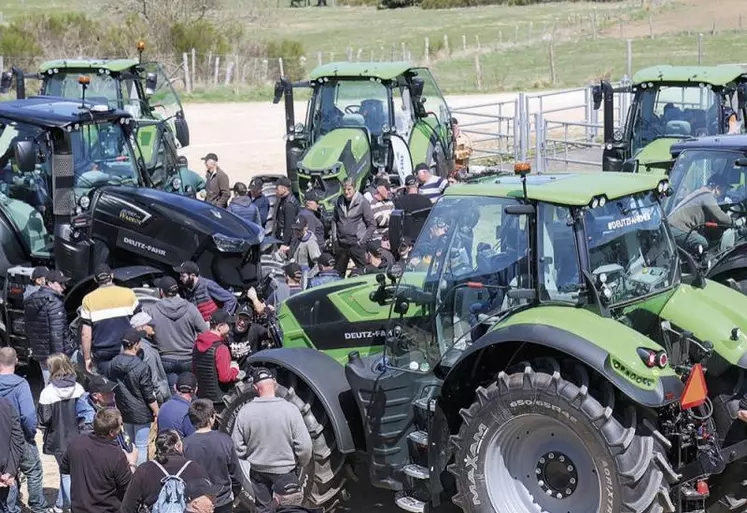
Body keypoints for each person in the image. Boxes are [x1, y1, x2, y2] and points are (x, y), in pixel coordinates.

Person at [232, 367, 312, 513]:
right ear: (274, 384)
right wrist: (300, 462)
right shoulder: (290, 410)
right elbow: (305, 446)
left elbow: (236, 447)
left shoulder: (244, 412)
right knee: (290, 510)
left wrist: (250, 455)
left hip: (258, 471)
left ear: (256, 388)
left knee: (263, 509)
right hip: (286, 471)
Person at [0, 348, 47, 513]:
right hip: (19, 435)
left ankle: (9, 504)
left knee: (5, 473)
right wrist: (30, 433)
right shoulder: (20, 384)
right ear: (16, 361)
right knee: (33, 471)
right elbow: (27, 415)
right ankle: (37, 506)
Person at [37, 354, 86, 512]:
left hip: (58, 440)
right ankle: (60, 504)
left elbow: (44, 420)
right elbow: (85, 413)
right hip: (78, 437)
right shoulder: (79, 388)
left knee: (65, 473)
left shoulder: (48, 392)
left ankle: (71, 507)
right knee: (71, 472)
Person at [61, 408, 133, 513]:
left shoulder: (77, 443)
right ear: (112, 432)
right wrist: (132, 463)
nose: (122, 428)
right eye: (120, 425)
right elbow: (128, 488)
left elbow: (64, 469)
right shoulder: (116, 455)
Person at [120, 429, 209, 513]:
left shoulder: (144, 470)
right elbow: (207, 503)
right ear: (178, 446)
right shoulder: (195, 469)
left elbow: (128, 507)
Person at [144, 276, 208, 389]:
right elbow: (204, 331)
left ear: (161, 292)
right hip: (188, 358)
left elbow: (146, 333)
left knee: (173, 393)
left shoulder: (152, 310)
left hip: (165, 359)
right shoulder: (190, 308)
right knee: (189, 391)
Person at [109, 328, 160, 466]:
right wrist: (157, 410)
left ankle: (129, 471)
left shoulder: (113, 363)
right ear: (136, 345)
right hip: (141, 412)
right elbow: (148, 393)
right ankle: (141, 475)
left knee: (128, 444)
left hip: (123, 409)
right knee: (141, 446)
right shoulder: (141, 366)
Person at [80, 264, 140, 376]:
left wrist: (87, 358)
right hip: (127, 348)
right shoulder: (128, 293)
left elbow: (86, 335)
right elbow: (139, 323)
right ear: (112, 276)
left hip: (103, 353)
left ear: (95, 279)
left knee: (108, 386)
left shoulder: (88, 299)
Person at [183, 400, 241, 513]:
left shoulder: (185, 444)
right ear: (212, 417)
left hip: (197, 503)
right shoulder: (225, 441)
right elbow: (236, 474)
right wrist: (235, 493)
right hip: (222, 499)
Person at [24, 269, 74, 385]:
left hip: (41, 352)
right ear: (50, 283)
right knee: (61, 385)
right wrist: (60, 358)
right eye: (60, 283)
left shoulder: (31, 300)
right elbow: (56, 333)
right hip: (56, 354)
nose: (64, 287)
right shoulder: (54, 303)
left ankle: (48, 403)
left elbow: (28, 328)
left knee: (49, 384)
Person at [668, 174, 734, 254]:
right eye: (724, 190)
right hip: (677, 228)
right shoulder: (706, 195)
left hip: (672, 227)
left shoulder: (700, 192)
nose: (725, 193)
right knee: (704, 243)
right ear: (717, 188)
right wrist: (733, 222)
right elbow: (718, 215)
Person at [193, 310, 245, 406]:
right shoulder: (221, 349)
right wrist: (235, 370)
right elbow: (225, 377)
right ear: (220, 326)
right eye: (228, 324)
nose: (230, 327)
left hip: (201, 398)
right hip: (220, 401)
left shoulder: (196, 344)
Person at [332, 177, 375, 276]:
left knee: (364, 271)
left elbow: (372, 224)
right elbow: (334, 219)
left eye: (349, 189)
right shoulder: (339, 201)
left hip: (356, 244)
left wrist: (362, 241)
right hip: (342, 244)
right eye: (344, 189)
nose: (346, 192)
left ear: (354, 188)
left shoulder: (362, 201)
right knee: (338, 274)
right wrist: (334, 238)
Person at [130, 312, 171, 404]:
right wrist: (159, 398)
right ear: (141, 328)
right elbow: (153, 378)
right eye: (150, 324)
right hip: (157, 398)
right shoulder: (146, 349)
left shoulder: (136, 345)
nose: (153, 326)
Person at [0, 396, 24, 513]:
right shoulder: (6, 404)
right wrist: (10, 471)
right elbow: (17, 440)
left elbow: (17, 439)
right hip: (6, 475)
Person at [157, 372, 198, 438]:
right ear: (195, 390)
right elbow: (193, 440)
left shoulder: (163, 407)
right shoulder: (188, 413)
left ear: (175, 387)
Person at [393, 174, 432, 242]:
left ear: (406, 187)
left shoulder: (400, 202)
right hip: (424, 238)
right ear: (417, 185)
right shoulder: (426, 201)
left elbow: (397, 223)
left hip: (407, 240)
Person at [273, 177, 300, 254]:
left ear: (284, 189)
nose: (276, 191)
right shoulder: (283, 200)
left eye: (277, 188)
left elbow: (289, 225)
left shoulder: (289, 205)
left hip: (285, 242)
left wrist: (285, 243)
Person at [369, 178, 394, 244]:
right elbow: (381, 221)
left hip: (390, 237)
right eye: (387, 188)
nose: (389, 191)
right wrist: (392, 217)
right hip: (379, 239)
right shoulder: (373, 204)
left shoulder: (390, 202)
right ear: (379, 189)